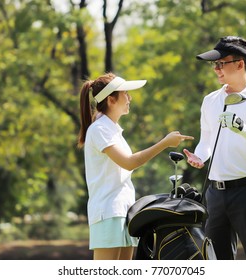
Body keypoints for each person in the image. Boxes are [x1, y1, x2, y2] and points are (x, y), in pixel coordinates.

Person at [77, 72, 194, 260]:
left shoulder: (112, 130)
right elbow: (130, 162)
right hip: (108, 212)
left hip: (123, 211)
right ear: (111, 100)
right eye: (125, 93)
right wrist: (164, 143)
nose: (129, 98)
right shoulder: (99, 129)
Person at [183, 36, 246, 260]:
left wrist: (242, 128)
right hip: (215, 194)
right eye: (214, 65)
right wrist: (200, 156)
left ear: (239, 64)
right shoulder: (210, 100)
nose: (216, 69)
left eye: (221, 64)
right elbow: (207, 140)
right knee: (217, 262)